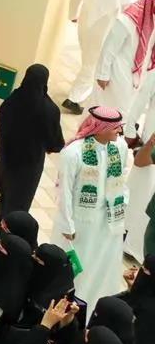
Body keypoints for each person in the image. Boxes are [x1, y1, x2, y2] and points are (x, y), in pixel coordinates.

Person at [60, 107, 132, 307]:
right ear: (101, 128)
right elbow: (65, 191)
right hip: (81, 221)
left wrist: (122, 202)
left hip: (109, 221)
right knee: (78, 267)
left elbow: (122, 177)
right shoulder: (73, 152)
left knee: (100, 265)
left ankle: (92, 304)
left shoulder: (120, 147)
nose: (120, 131)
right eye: (116, 127)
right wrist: (67, 225)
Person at [0, 63, 64, 219]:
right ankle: (10, 225)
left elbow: (1, 117)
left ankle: (1, 215)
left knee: (7, 188)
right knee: (21, 197)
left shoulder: (15, 98)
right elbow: (55, 142)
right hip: (30, 163)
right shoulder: (50, 110)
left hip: (7, 155)